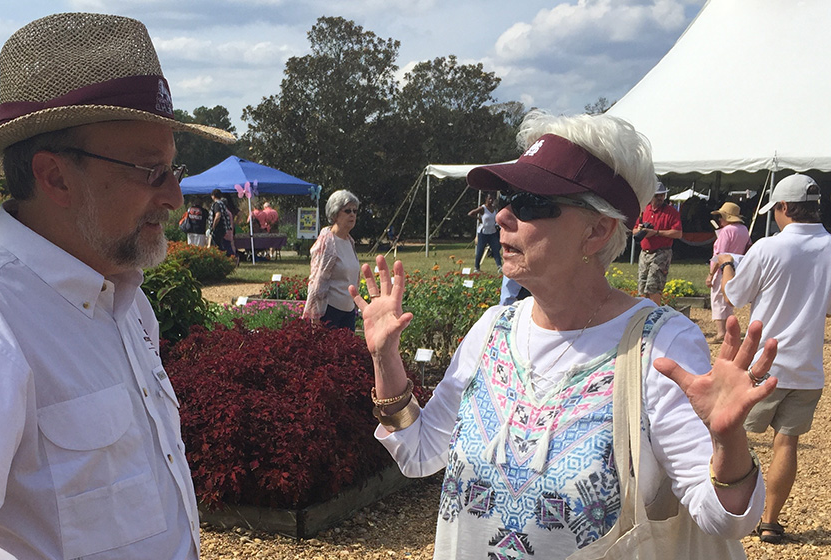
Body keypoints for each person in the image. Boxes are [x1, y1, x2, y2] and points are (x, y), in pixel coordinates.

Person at [0, 13, 234, 559]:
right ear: (55, 175)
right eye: (151, 170)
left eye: (172, 170)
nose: (175, 197)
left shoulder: (125, 302)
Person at [352, 111, 773, 559]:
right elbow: (419, 452)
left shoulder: (658, 345)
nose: (502, 214)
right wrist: (385, 360)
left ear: (597, 230)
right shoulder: (493, 329)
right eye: (505, 196)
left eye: (532, 202)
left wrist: (729, 442)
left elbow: (725, 519)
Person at [718, 173, 831, 545]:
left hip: (764, 364)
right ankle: (770, 521)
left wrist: (726, 263)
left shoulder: (768, 247)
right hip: (808, 367)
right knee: (787, 444)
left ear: (783, 207)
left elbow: (734, 295)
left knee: (736, 440)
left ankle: (734, 513)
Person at [303, 190, 361, 331]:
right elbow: (317, 280)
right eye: (347, 211)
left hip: (349, 311)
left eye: (355, 211)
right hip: (329, 312)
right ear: (335, 214)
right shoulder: (326, 242)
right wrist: (314, 316)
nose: (352, 214)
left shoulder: (349, 241)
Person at [468, 193, 529, 305]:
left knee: (496, 250)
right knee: (480, 251)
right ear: (486, 199)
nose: (491, 200)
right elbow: (470, 213)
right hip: (483, 233)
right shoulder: (483, 208)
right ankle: (476, 267)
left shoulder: (494, 209)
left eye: (493, 198)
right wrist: (479, 219)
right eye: (490, 198)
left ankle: (499, 266)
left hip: (492, 233)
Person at [705, 202, 751, 343]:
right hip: (736, 267)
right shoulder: (743, 229)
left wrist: (711, 274)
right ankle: (727, 330)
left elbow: (720, 255)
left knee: (718, 299)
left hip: (722, 268)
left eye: (721, 216)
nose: (719, 220)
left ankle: (721, 332)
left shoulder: (726, 231)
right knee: (728, 298)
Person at [633, 181, 682, 304]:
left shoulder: (671, 212)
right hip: (645, 253)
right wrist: (640, 230)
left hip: (661, 252)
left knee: (654, 287)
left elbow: (678, 233)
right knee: (642, 288)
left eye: (662, 195)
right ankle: (643, 314)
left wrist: (655, 232)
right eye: (657, 195)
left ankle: (654, 314)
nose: (660, 198)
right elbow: (633, 230)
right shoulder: (644, 210)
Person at [208, 188, 235, 257]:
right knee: (221, 244)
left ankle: (223, 257)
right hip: (224, 227)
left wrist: (213, 226)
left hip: (218, 228)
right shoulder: (222, 204)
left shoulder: (216, 204)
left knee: (217, 245)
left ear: (213, 196)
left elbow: (218, 215)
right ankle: (228, 256)